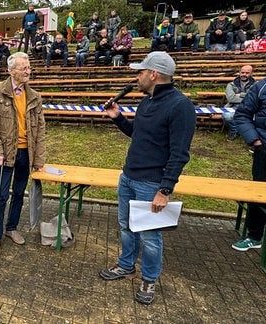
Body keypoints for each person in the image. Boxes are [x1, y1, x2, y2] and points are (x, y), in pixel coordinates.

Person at [100, 51, 196, 305]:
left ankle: (149, 278)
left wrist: (164, 190)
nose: (137, 76)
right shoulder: (148, 101)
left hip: (152, 184)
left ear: (153, 74)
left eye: (140, 72)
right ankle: (126, 265)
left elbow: (179, 154)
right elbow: (139, 136)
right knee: (126, 226)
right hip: (129, 177)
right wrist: (118, 118)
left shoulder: (180, 106)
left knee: (150, 236)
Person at [0, 52, 46, 256]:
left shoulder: (35, 96)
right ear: (11, 71)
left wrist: (38, 158)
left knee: (19, 193)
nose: (28, 71)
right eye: (24, 68)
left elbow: (40, 130)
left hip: (25, 154)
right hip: (5, 153)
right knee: (1, 195)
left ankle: (11, 228)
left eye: (29, 68)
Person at [231, 76, 266, 252]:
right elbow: (242, 114)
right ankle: (254, 236)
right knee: (259, 193)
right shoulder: (261, 87)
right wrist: (255, 141)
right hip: (264, 151)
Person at [223, 65, 255, 141]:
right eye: (242, 72)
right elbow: (231, 98)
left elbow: (253, 98)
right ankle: (234, 131)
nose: (244, 74)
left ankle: (249, 134)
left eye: (247, 73)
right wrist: (246, 96)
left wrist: (240, 94)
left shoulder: (256, 85)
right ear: (239, 72)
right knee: (227, 116)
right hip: (232, 107)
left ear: (251, 73)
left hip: (249, 107)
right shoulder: (231, 85)